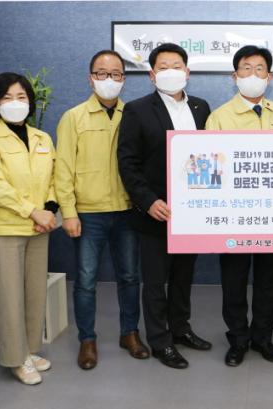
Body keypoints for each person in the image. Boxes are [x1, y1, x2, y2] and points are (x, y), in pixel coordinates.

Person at [118, 43, 212, 369]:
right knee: (156, 281)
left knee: (184, 277)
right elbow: (127, 163)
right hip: (157, 211)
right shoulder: (137, 110)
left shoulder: (201, 108)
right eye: (163, 67)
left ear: (187, 72)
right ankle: (160, 340)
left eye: (177, 66)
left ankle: (181, 329)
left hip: (193, 212)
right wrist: (148, 201)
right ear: (151, 74)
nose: (171, 72)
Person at [55, 50, 149, 370]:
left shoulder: (134, 115)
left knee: (130, 276)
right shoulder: (73, 117)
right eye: (102, 73)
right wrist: (68, 212)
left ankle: (129, 333)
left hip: (127, 210)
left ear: (124, 79)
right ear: (90, 78)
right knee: (85, 280)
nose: (109, 79)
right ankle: (87, 340)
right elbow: (63, 169)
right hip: (88, 214)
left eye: (116, 74)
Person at [0, 72, 58, 385]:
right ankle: (15, 358)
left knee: (34, 293)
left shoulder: (42, 138)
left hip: (38, 227)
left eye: (21, 97)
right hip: (5, 227)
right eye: (7, 97)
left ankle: (29, 350)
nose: (15, 103)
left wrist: (49, 210)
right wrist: (32, 211)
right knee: (9, 296)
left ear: (30, 102)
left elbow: (54, 178)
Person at [205, 45, 273, 367]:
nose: (253, 74)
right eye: (246, 68)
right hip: (233, 216)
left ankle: (263, 338)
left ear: (270, 77)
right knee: (234, 280)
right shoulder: (219, 116)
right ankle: (238, 339)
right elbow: (210, 168)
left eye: (260, 69)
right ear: (234, 75)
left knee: (269, 280)